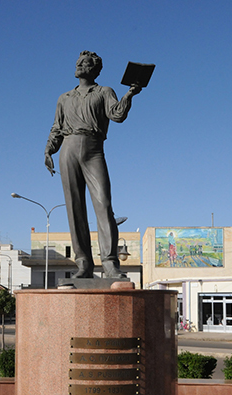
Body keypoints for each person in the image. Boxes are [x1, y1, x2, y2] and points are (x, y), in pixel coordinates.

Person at [44, 50, 142, 279]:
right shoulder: (64, 98)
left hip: (93, 148)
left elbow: (117, 115)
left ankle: (109, 263)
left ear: (95, 69)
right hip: (67, 149)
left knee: (104, 205)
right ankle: (84, 263)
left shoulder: (104, 91)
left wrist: (130, 93)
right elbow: (56, 127)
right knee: (74, 209)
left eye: (85, 63)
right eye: (78, 62)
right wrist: (49, 149)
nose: (79, 65)